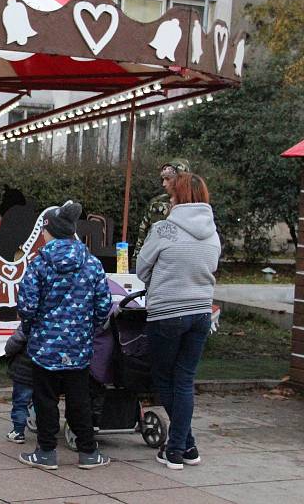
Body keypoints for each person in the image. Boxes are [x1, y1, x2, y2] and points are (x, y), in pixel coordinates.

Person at [16, 201, 112, 471]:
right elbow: (104, 306)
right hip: (79, 347)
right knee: (79, 398)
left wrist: (31, 328)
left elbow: (27, 305)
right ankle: (88, 453)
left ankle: (46, 452)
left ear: (50, 232)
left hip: (44, 345)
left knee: (44, 399)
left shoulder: (39, 264)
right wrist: (88, 329)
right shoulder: (92, 264)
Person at [137, 173, 220, 470]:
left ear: (179, 197)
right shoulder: (213, 232)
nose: (168, 196)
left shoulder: (164, 229)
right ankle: (188, 446)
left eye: (171, 192)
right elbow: (211, 266)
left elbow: (142, 266)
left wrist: (157, 281)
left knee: (164, 378)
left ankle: (175, 450)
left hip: (167, 312)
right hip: (200, 312)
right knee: (184, 380)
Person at [134, 158, 191, 259]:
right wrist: (136, 261)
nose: (164, 184)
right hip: (152, 262)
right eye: (163, 179)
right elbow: (143, 234)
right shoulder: (157, 203)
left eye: (168, 179)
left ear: (181, 180)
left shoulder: (194, 206)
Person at [4, 322, 33, 444]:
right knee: (43, 401)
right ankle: (45, 429)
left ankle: (18, 431)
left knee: (20, 402)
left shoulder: (28, 324)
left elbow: (13, 344)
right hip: (44, 371)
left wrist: (8, 352)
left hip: (23, 372)